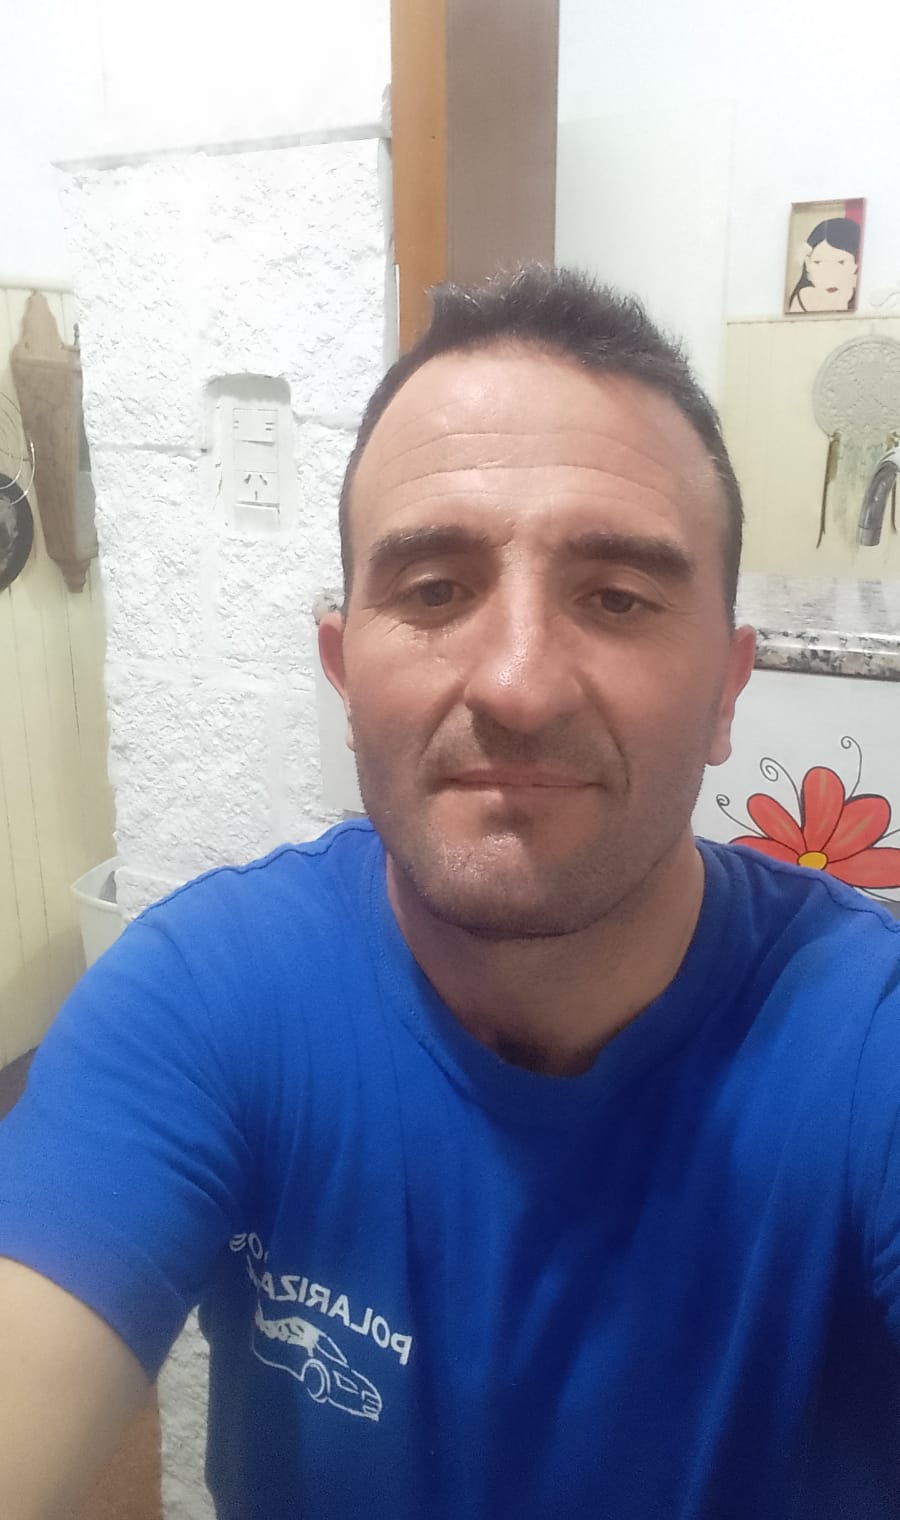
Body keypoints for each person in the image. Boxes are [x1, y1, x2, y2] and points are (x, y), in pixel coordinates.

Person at [1, 267, 900, 1520]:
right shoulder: (204, 1002)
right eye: (434, 591)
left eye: (617, 597)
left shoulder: (864, 1041)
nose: (519, 684)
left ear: (725, 689)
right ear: (343, 672)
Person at [788, 215, 861, 313]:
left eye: (841, 262)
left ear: (856, 264)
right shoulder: (806, 297)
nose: (829, 273)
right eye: (818, 262)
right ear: (807, 264)